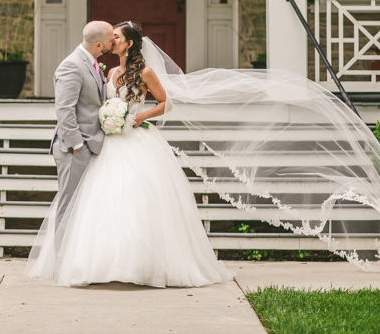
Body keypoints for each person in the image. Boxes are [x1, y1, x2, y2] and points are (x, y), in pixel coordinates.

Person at [26, 21, 234, 287]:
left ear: (129, 43)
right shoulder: (109, 72)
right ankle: (98, 263)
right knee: (101, 203)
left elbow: (167, 101)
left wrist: (141, 116)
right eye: (111, 37)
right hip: (105, 143)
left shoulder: (145, 72)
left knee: (137, 200)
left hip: (136, 140)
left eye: (117, 37)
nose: (113, 41)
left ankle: (141, 265)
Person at [49, 21, 114, 234]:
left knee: (82, 208)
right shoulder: (72, 65)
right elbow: (64, 110)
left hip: (90, 145)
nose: (113, 43)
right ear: (98, 45)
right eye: (110, 40)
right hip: (74, 150)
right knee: (68, 207)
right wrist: (77, 146)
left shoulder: (92, 63)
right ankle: (59, 265)